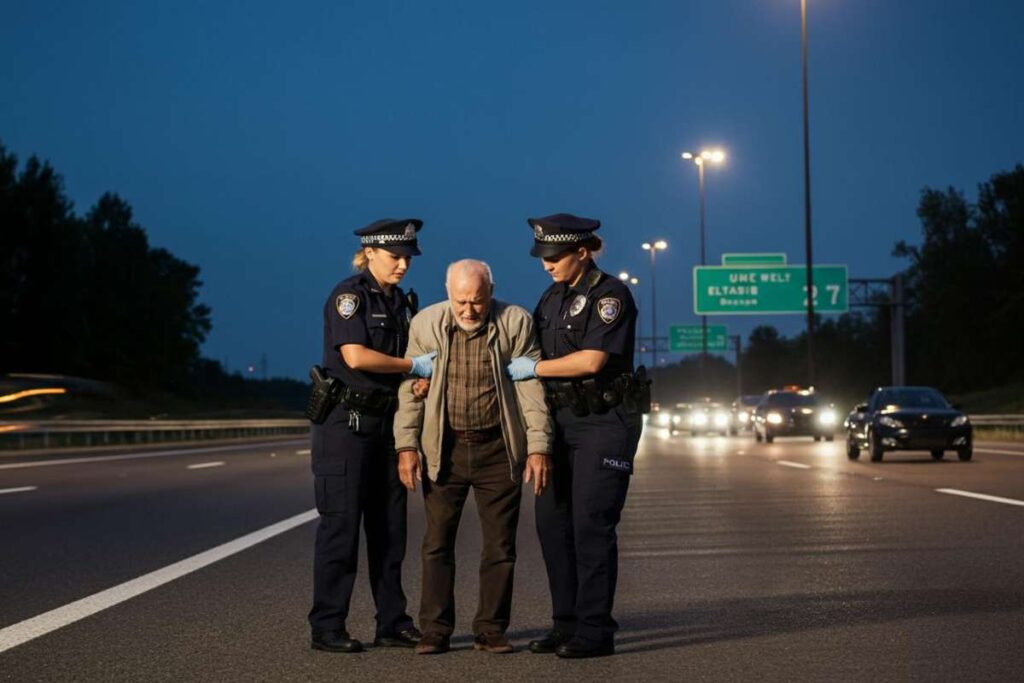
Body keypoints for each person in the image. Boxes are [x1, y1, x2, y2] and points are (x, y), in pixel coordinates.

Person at [393, 259, 552, 655]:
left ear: (491, 293)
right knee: (436, 543)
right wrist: (406, 446)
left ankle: (491, 628)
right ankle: (434, 629)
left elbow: (531, 389)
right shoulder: (426, 324)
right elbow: (410, 389)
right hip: (444, 448)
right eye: (460, 301)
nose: (468, 311)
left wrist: (538, 447)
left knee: (500, 546)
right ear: (448, 295)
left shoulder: (515, 322)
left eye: (477, 302)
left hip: (498, 448)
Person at [506, 213, 645, 659]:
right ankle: (565, 623)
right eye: (543, 256)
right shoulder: (551, 297)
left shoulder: (610, 296)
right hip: (560, 422)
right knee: (552, 525)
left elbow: (590, 362)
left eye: (556, 256)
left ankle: (595, 630)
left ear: (582, 252)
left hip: (605, 421)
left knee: (591, 525)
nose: (547, 264)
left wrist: (537, 369)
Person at [309, 218, 437, 654]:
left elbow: (410, 357)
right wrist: (412, 368)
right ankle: (327, 626)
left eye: (408, 258)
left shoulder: (403, 302)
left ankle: (392, 621)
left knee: (390, 531)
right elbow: (356, 355)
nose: (403, 265)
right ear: (369, 253)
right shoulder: (350, 297)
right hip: (345, 426)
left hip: (387, 426)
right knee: (341, 530)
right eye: (395, 257)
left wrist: (418, 381)